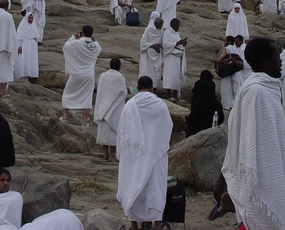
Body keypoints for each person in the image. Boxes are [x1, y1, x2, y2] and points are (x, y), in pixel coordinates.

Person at [222, 37, 285, 230]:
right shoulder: (256, 91)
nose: (280, 61)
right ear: (266, 61)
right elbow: (246, 137)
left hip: (274, 166)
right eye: (277, 57)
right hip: (260, 172)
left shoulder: (268, 89)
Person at [116, 75, 173, 230]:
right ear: (151, 88)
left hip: (133, 155)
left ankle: (134, 224)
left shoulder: (130, 105)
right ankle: (157, 224)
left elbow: (122, 132)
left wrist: (123, 152)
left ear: (137, 88)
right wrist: (157, 145)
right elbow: (167, 127)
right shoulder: (160, 105)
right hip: (155, 154)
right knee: (156, 187)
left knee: (132, 183)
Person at [62, 25, 102, 125]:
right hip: (89, 74)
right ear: (91, 33)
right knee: (87, 96)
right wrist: (92, 37)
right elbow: (97, 45)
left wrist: (73, 37)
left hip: (76, 73)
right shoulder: (96, 46)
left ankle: (65, 115)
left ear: (82, 32)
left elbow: (66, 46)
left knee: (68, 93)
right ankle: (84, 120)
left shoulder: (77, 43)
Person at [94, 57, 127, 160]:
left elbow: (100, 91)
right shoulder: (120, 77)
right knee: (113, 132)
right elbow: (123, 92)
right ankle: (113, 153)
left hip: (103, 106)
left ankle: (105, 153)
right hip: (115, 108)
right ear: (119, 67)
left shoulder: (103, 76)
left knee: (104, 132)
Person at [185, 70, 224, 137]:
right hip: (211, 129)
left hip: (197, 131)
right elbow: (221, 119)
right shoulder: (217, 104)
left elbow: (192, 118)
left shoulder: (199, 104)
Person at [161, 18, 187, 101]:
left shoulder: (176, 34)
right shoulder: (167, 33)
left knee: (176, 78)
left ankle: (175, 96)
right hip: (170, 57)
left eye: (178, 26)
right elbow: (165, 45)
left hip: (177, 58)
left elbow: (179, 45)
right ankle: (169, 95)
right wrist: (178, 42)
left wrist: (183, 43)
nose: (178, 28)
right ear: (172, 25)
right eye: (177, 26)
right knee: (169, 77)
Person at [139, 14, 164, 87]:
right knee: (147, 71)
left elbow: (162, 42)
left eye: (161, 25)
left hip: (157, 55)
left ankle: (154, 88)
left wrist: (159, 46)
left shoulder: (161, 31)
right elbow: (143, 43)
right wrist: (153, 45)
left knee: (156, 73)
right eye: (159, 25)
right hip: (147, 56)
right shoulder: (148, 29)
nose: (160, 27)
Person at [14, 12, 40, 79]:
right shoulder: (22, 26)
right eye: (29, 17)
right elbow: (18, 37)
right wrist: (19, 46)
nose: (30, 19)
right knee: (24, 59)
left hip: (32, 45)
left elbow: (36, 37)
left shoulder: (33, 26)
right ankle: (22, 74)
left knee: (31, 59)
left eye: (32, 18)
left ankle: (31, 74)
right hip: (24, 45)